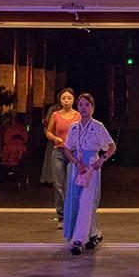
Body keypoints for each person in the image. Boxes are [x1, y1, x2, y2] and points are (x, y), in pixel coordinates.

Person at [61, 92, 116, 255]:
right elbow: (67, 149)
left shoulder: (98, 126)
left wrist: (101, 159)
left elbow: (112, 147)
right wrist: (76, 163)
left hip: (91, 167)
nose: (83, 108)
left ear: (92, 108)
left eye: (87, 105)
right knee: (77, 201)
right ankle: (94, 233)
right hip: (77, 167)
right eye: (81, 105)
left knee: (86, 202)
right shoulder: (74, 127)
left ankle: (79, 240)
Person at [42, 89, 80, 226]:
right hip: (58, 152)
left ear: (73, 99)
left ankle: (72, 214)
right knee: (59, 185)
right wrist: (55, 138)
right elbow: (48, 132)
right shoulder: (55, 115)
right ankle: (62, 217)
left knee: (70, 184)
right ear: (60, 100)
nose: (66, 101)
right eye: (63, 98)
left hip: (73, 153)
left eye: (69, 98)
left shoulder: (78, 116)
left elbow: (83, 132)